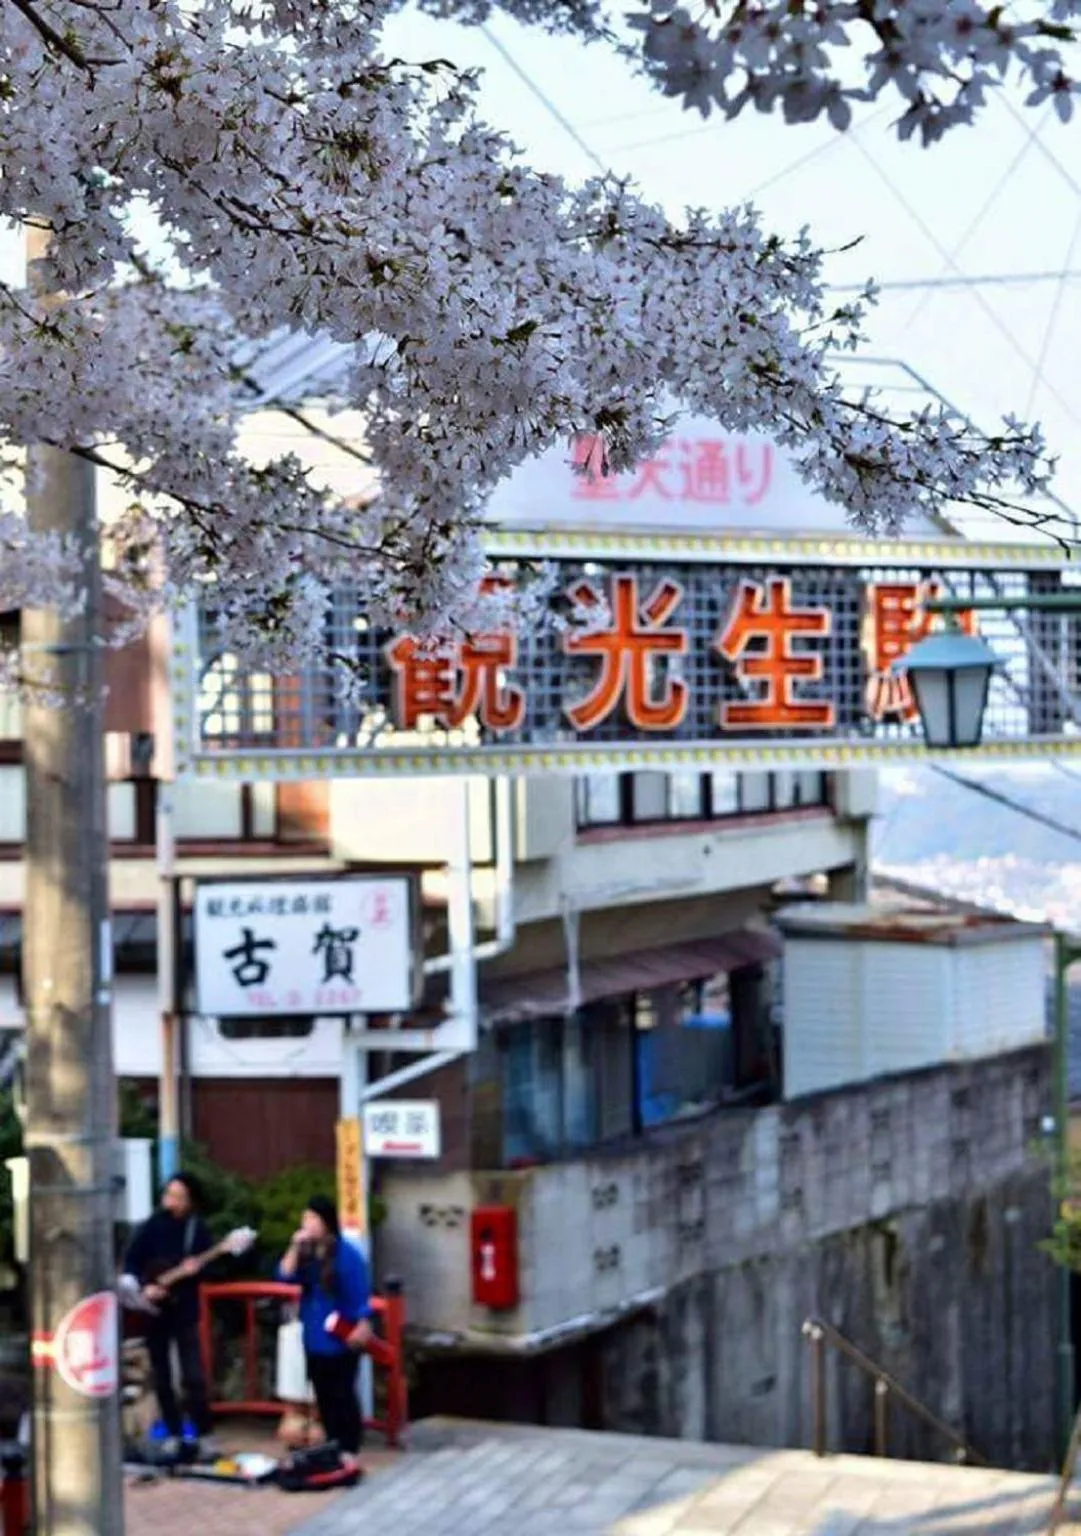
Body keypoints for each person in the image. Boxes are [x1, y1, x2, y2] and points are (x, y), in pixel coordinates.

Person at [121, 1171, 217, 1460]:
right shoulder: (151, 1226)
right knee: (161, 1376)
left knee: (193, 1376)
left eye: (177, 1196)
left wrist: (196, 1270)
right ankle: (174, 1434)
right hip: (154, 1312)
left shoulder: (196, 1229)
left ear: (190, 1201)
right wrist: (145, 1288)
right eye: (168, 1194)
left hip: (185, 1309)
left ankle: (204, 1435)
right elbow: (131, 1263)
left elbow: (212, 1268)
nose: (170, 1201)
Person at [277, 1195, 371, 1462]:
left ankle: (349, 1447)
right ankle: (332, 1444)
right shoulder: (307, 1253)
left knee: (343, 1393)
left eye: (312, 1219)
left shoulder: (346, 1253)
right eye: (305, 1218)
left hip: (341, 1335)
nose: (307, 1224)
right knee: (322, 1393)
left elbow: (359, 1294)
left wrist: (361, 1324)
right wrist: (295, 1246)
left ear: (326, 1223)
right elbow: (284, 1275)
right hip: (314, 1334)